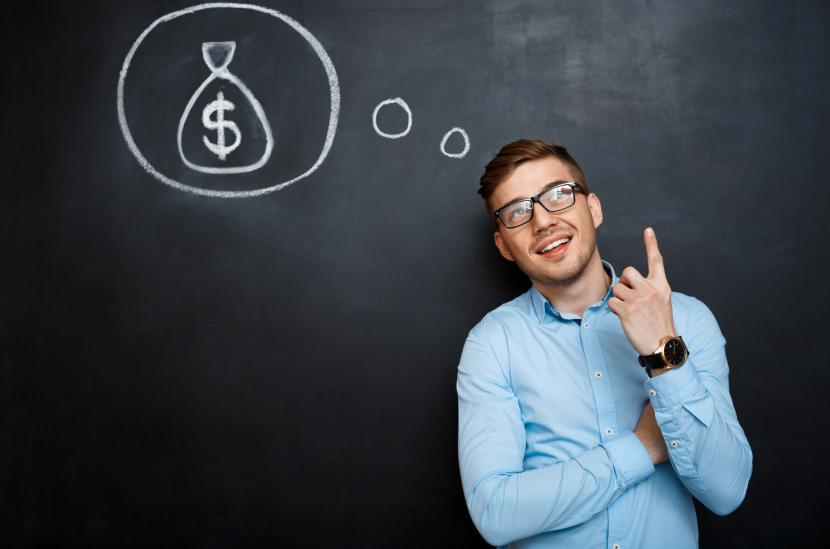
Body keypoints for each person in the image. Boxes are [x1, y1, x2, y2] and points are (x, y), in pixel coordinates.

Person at [456, 139, 752, 548]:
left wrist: (665, 353)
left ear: (593, 209)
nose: (542, 222)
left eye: (558, 195)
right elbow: (496, 513)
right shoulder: (491, 344)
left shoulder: (687, 320)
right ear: (504, 246)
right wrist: (642, 446)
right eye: (517, 212)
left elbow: (727, 492)